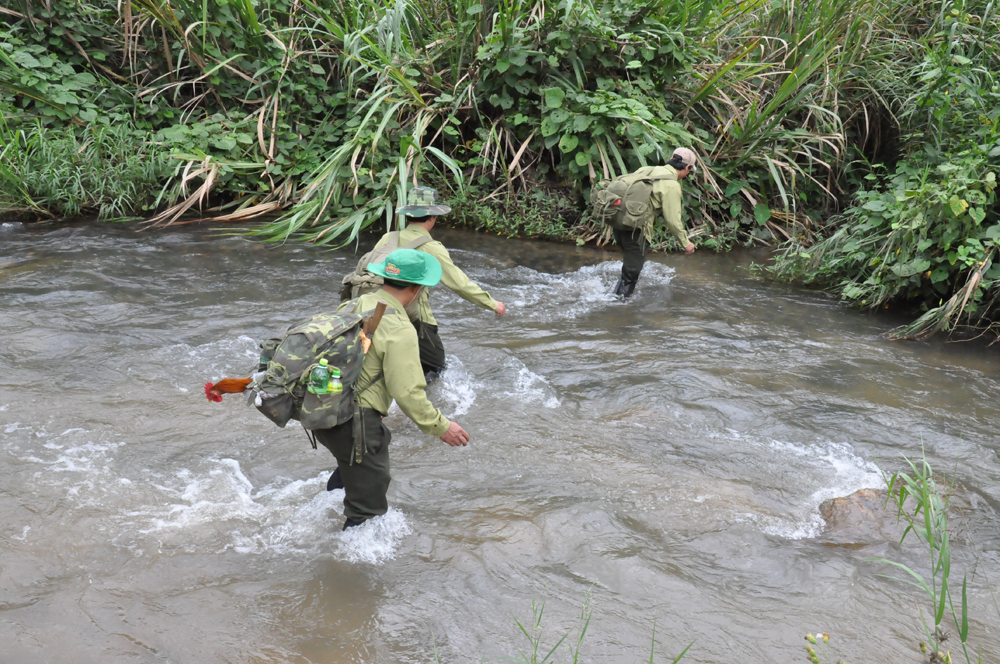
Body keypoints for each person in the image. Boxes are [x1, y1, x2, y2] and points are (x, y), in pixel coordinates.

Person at [319, 248, 471, 530]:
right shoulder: (400, 327)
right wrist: (441, 426)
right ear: (418, 289)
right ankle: (349, 563)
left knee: (351, 465)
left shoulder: (354, 303)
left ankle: (325, 511)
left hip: (326, 408)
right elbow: (408, 393)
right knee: (368, 512)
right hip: (357, 420)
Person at [375, 185, 506, 380]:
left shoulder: (388, 238)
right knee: (436, 370)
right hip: (416, 320)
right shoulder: (430, 247)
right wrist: (492, 304)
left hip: (380, 311)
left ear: (408, 215)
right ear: (432, 217)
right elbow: (459, 283)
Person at [612, 147, 698, 299]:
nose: (688, 174)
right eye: (690, 171)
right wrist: (686, 243)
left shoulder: (646, 169)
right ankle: (618, 312)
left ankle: (616, 300)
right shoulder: (672, 185)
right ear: (688, 167)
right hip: (637, 231)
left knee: (628, 270)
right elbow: (672, 221)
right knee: (630, 277)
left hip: (619, 223)